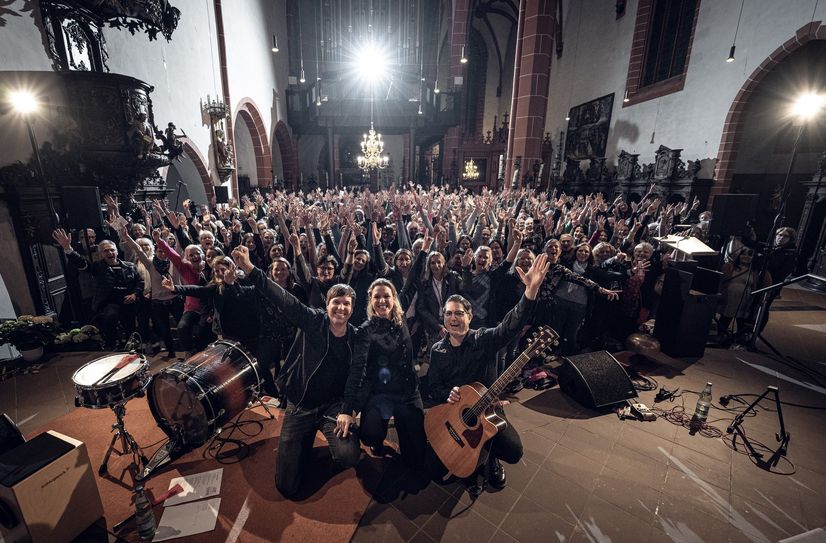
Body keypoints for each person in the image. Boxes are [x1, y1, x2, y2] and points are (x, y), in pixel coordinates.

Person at [232, 245, 364, 499]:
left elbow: (357, 376)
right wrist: (249, 269)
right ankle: (301, 441)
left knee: (349, 456)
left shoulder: (357, 337)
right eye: (336, 302)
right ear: (327, 304)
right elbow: (283, 298)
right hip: (301, 405)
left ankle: (315, 440)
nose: (341, 308)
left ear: (352, 308)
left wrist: (348, 410)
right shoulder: (313, 321)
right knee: (287, 486)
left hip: (332, 407)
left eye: (346, 304)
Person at [426, 253, 550, 490]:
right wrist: (446, 394)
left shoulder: (484, 339)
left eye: (459, 313)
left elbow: (509, 326)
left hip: (487, 412)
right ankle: (469, 451)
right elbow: (433, 386)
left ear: (470, 317)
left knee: (513, 451)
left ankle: (489, 455)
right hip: (454, 416)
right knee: (433, 470)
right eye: (449, 314)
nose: (453, 318)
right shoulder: (437, 350)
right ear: (443, 318)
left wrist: (530, 292)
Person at [53, 229, 143, 350]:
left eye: (112, 250)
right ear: (101, 254)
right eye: (106, 251)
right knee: (111, 317)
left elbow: (140, 282)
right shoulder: (98, 267)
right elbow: (82, 264)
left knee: (130, 324)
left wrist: (135, 294)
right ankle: (112, 344)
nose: (110, 253)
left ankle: (132, 346)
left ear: (117, 251)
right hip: (109, 302)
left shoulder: (129, 266)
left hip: (129, 301)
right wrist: (68, 249)